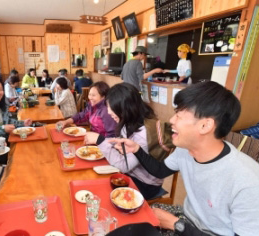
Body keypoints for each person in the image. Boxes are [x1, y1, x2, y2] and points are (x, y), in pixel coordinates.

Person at [110, 81, 259, 235]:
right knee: (122, 223)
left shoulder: (248, 182)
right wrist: (137, 149)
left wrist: (176, 224)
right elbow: (160, 171)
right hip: (186, 218)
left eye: (179, 116)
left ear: (205, 126)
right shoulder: (185, 150)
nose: (172, 120)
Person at [85, 83, 163, 199]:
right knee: (91, 178)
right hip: (131, 173)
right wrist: (107, 143)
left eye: (111, 107)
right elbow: (122, 147)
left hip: (144, 183)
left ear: (125, 108)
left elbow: (124, 165)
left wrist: (100, 140)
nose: (109, 112)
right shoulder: (131, 120)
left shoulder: (143, 133)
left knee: (100, 194)